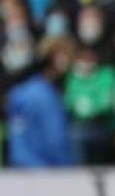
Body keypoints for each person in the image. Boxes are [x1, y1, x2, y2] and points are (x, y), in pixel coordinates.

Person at [6, 37, 76, 168]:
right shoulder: (47, 97)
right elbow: (56, 140)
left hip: (19, 170)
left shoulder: (19, 93)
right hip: (45, 172)